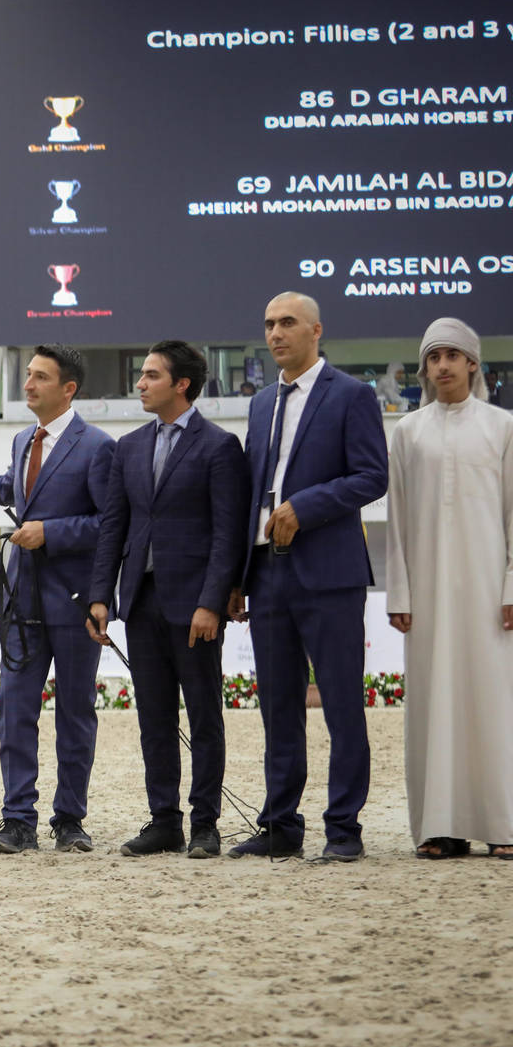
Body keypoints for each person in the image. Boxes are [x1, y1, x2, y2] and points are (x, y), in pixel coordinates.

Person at [227, 293, 388, 861]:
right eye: (269, 324)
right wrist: (239, 575)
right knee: (277, 707)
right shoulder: (260, 403)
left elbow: (372, 475)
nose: (276, 333)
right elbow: (253, 491)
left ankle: (343, 829)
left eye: (288, 323)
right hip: (267, 574)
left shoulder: (352, 395)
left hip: (330, 574)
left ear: (316, 330)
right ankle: (280, 826)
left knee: (342, 704)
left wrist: (306, 505)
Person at [87, 341, 249, 858]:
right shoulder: (129, 447)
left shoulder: (220, 447)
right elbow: (114, 527)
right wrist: (100, 596)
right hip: (140, 600)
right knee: (154, 719)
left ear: (181, 384)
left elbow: (227, 534)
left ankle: (205, 823)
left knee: (204, 717)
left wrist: (211, 602)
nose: (140, 383)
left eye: (151, 375)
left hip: (195, 605)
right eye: (142, 374)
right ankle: (164, 821)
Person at [0, 343, 114, 854]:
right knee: (14, 710)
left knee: (75, 712)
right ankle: (17, 819)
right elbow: (9, 489)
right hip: (21, 600)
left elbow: (108, 524)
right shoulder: (24, 439)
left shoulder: (98, 446)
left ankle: (69, 819)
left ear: (68, 389)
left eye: (40, 377)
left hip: (73, 601)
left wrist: (51, 532)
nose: (28, 384)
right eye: (28, 374)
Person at [385, 318, 513, 861]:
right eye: (433, 357)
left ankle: (503, 823)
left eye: (451, 356)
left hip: (490, 593)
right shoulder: (408, 432)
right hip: (428, 596)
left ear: (472, 363)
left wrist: (511, 585)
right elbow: (397, 519)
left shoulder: (503, 426)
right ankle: (440, 826)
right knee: (433, 705)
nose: (442, 366)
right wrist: (399, 594)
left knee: (494, 701)